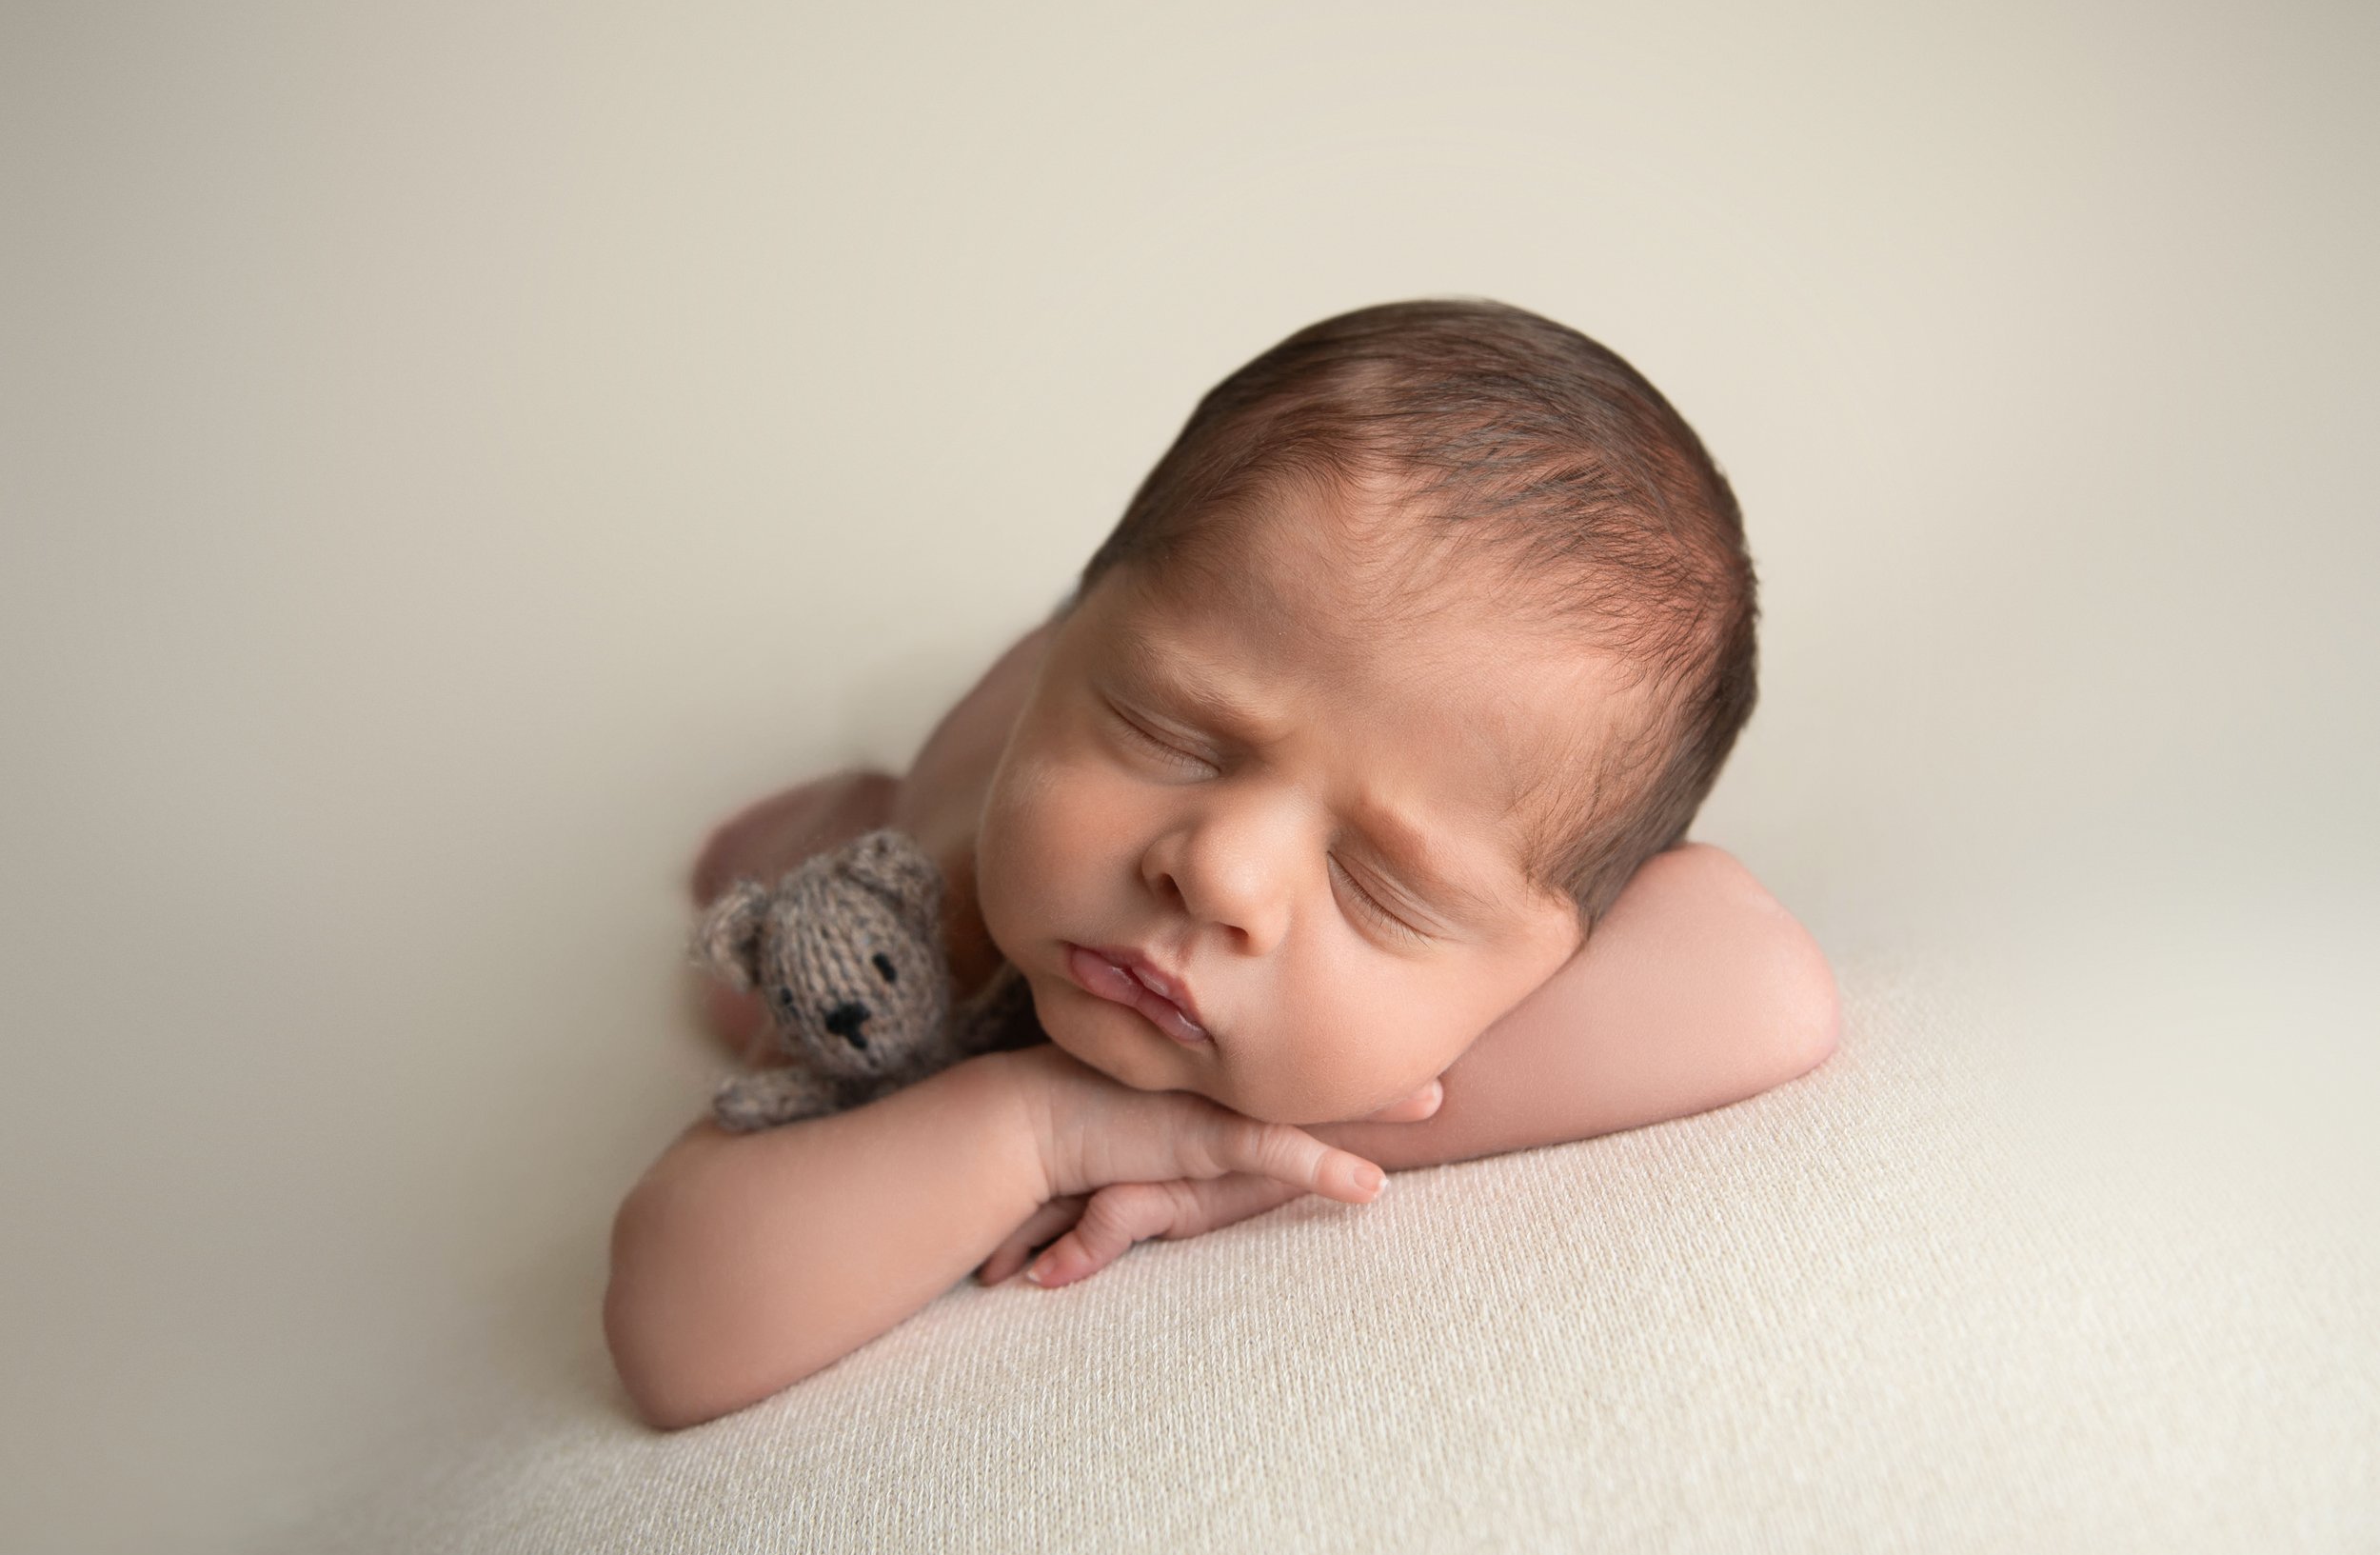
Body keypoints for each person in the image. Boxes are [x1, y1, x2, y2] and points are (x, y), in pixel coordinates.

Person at [606, 298, 1839, 1429]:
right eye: (1169, 735)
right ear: (1078, 650)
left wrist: (1229, 1158)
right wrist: (1043, 1129)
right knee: (797, 924)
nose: (1220, 875)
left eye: (1380, 881)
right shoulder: (926, 923)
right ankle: (876, 780)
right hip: (980, 764)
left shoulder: (1491, 912)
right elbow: (676, 1330)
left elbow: (1762, 978)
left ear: (1556, 954)